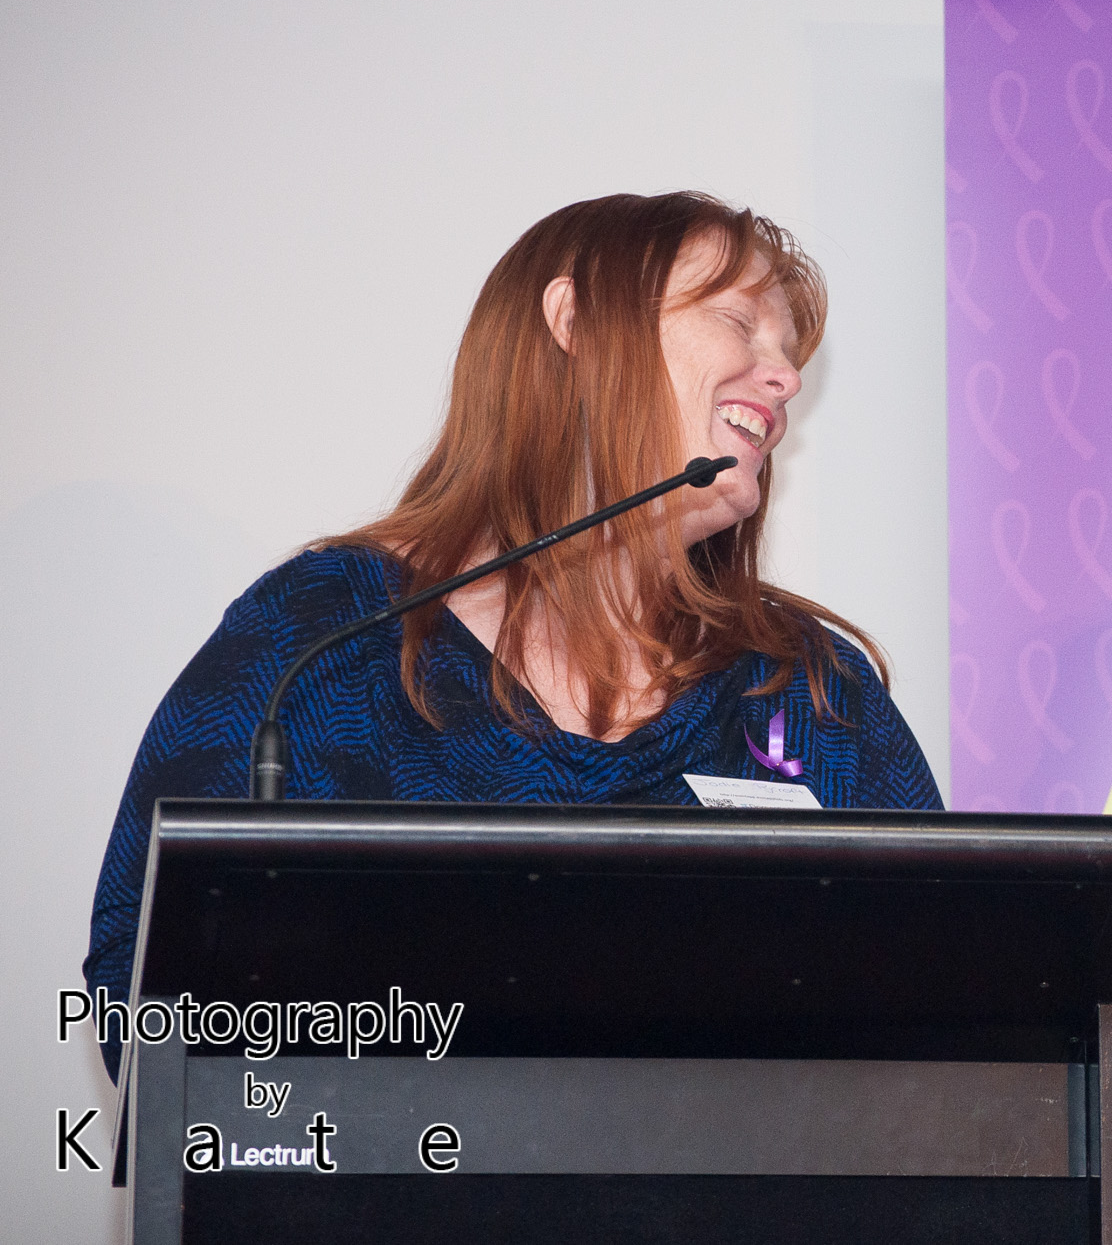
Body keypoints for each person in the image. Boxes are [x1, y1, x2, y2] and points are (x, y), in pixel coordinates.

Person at [85, 192, 942, 1078]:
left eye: (790, 352)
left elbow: (954, 1000)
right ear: (576, 323)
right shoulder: (324, 638)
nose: (786, 378)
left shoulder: (808, 688)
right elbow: (141, 982)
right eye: (739, 322)